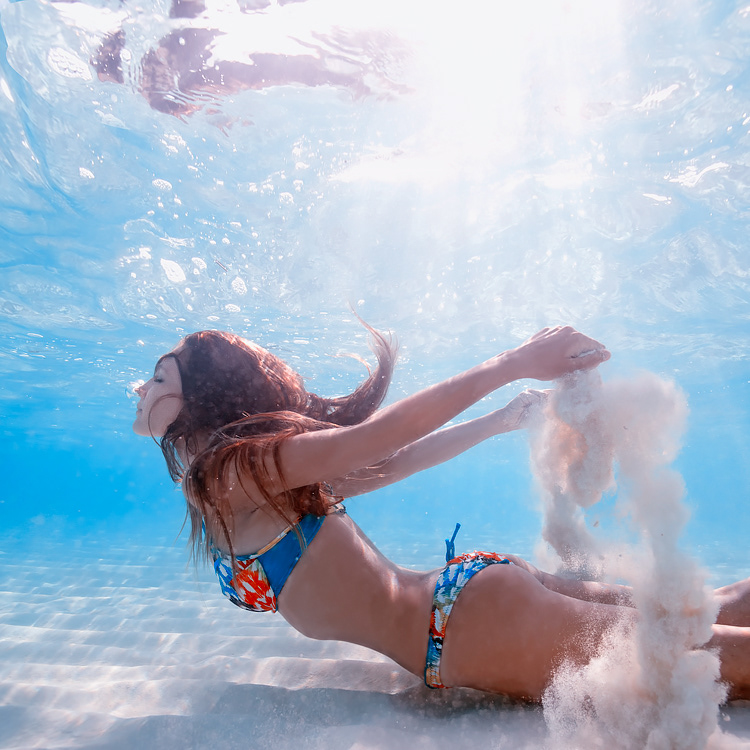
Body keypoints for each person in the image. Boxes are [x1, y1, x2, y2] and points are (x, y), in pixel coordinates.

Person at [133, 323, 750, 700]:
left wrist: (511, 364)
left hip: (461, 629)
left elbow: (373, 442)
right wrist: (499, 420)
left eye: (159, 378)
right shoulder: (248, 480)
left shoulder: (233, 470)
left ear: (202, 396)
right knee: (701, 612)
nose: (142, 388)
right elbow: (392, 463)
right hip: (467, 606)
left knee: (712, 653)